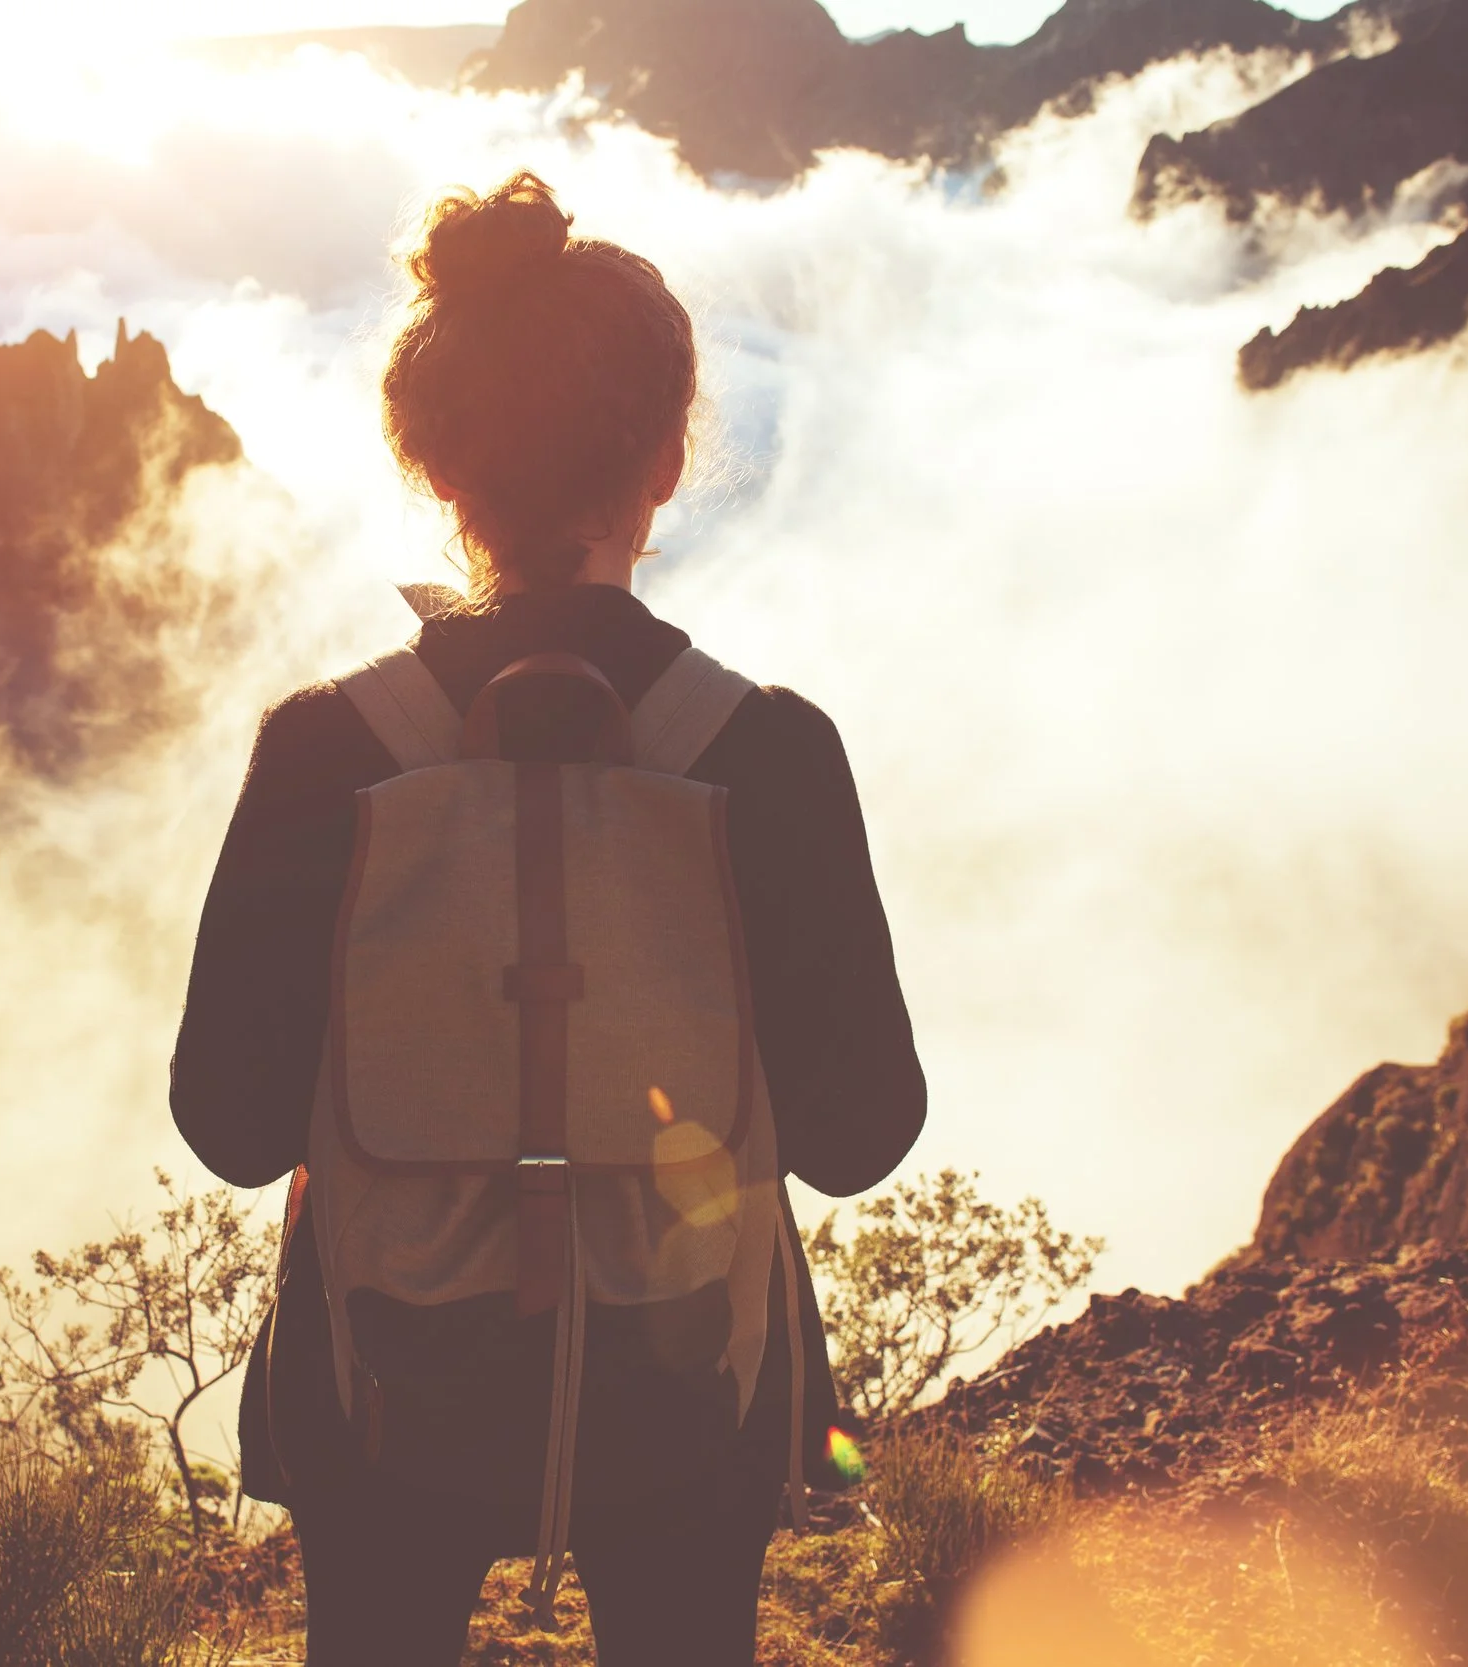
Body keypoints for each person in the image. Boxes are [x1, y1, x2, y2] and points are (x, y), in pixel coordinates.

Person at [170, 171, 924, 1666]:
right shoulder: (767, 751)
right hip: (689, 1392)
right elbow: (857, 1134)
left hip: (384, 1387)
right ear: (664, 460)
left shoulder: (329, 747)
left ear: (443, 473)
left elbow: (233, 1121)